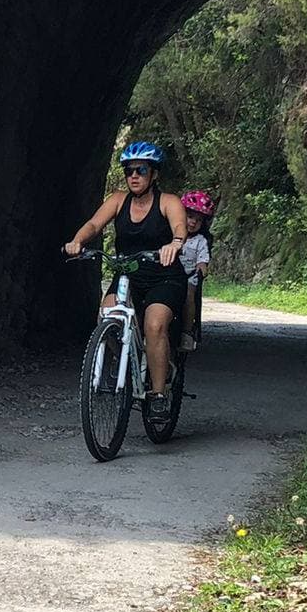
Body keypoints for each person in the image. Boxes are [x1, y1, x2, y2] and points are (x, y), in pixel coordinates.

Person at [63, 141, 190, 420]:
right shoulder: (118, 200)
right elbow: (95, 224)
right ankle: (121, 361)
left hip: (163, 275)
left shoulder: (168, 202)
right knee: (106, 316)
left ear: (153, 174)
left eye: (141, 170)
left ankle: (158, 394)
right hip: (128, 272)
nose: (134, 176)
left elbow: (180, 227)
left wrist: (175, 243)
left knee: (154, 325)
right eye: (129, 171)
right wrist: (78, 240)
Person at [177, 190, 215, 349]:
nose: (193, 222)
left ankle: (187, 331)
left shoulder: (200, 241)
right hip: (167, 274)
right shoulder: (171, 234)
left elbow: (202, 260)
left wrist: (201, 269)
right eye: (190, 216)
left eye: (198, 220)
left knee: (188, 294)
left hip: (188, 277)